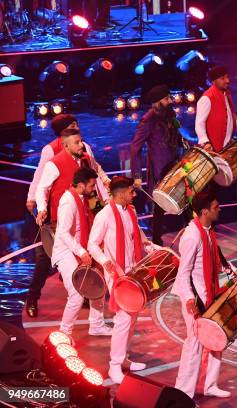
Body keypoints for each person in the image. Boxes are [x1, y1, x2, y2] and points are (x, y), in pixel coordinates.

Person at [24, 114, 108, 318]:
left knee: (87, 250)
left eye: (77, 126)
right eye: (72, 127)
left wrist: (105, 196)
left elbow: (95, 173)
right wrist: (37, 203)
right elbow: (40, 181)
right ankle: (33, 297)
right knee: (46, 258)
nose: (77, 130)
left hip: (85, 211)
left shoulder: (84, 149)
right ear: (63, 136)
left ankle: (87, 292)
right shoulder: (51, 153)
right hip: (59, 215)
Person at [88, 176, 154, 384]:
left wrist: (147, 245)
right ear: (121, 194)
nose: (134, 195)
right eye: (131, 192)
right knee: (124, 318)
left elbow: (137, 234)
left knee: (133, 316)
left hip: (133, 270)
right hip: (115, 272)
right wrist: (105, 261)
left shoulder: (131, 212)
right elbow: (92, 244)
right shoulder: (104, 215)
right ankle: (114, 365)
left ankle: (123, 358)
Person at [172, 191, 237, 399]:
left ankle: (210, 385)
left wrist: (234, 272)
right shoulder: (192, 236)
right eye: (216, 206)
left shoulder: (208, 230)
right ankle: (183, 394)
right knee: (194, 344)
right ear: (204, 211)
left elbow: (218, 258)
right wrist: (190, 299)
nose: (220, 209)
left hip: (209, 292)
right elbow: (183, 273)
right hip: (195, 298)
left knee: (218, 337)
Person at [195, 66, 237, 228]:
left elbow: (232, 116)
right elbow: (199, 124)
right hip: (214, 150)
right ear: (214, 80)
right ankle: (207, 223)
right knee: (213, 190)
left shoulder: (227, 94)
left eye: (227, 77)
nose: (228, 81)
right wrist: (205, 141)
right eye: (223, 78)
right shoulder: (206, 98)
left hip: (229, 147)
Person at [53, 167, 111, 336]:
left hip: (79, 249)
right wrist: (82, 252)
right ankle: (65, 332)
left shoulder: (81, 198)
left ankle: (97, 325)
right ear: (80, 185)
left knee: (98, 284)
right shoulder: (68, 202)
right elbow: (63, 232)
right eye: (92, 186)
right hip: (66, 252)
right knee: (77, 294)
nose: (94, 189)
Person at [131, 84, 187, 245]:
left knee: (185, 197)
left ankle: (192, 227)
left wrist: (187, 145)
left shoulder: (170, 114)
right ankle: (156, 239)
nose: (170, 101)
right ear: (157, 102)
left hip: (175, 163)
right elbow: (135, 148)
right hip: (160, 167)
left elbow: (178, 134)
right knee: (160, 206)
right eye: (166, 99)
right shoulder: (148, 120)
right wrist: (137, 176)